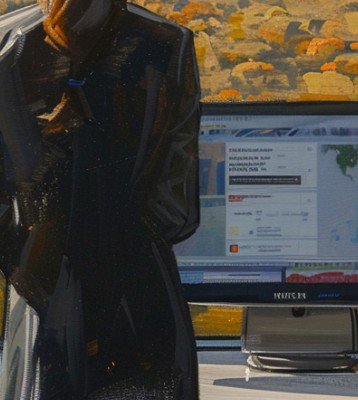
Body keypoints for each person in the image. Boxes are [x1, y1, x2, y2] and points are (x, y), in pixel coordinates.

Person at [0, 0, 200, 397]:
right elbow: (179, 209)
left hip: (40, 286)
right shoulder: (168, 40)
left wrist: (27, 259)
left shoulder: (7, 41)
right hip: (140, 290)